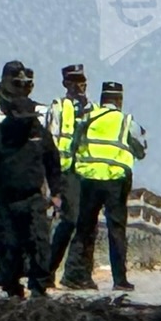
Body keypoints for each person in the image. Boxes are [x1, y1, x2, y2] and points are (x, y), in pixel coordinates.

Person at [0, 95, 62, 298]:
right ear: (10, 115)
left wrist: (56, 194)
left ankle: (38, 289)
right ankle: (12, 287)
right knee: (7, 245)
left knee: (38, 243)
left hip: (33, 199)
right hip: (4, 199)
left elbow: (53, 165)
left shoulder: (40, 134)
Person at [64, 81, 146, 292]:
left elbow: (74, 144)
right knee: (116, 231)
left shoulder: (88, 118)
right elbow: (141, 149)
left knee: (84, 229)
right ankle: (120, 280)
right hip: (115, 182)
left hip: (88, 180)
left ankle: (77, 275)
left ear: (102, 99)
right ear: (119, 100)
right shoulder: (126, 121)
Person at [45, 64, 93, 288]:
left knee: (86, 223)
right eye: (73, 80)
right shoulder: (58, 107)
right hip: (66, 172)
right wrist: (51, 181)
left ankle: (76, 274)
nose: (79, 85)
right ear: (65, 83)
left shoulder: (94, 109)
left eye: (82, 80)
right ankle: (49, 269)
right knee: (70, 220)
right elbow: (50, 141)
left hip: (89, 173)